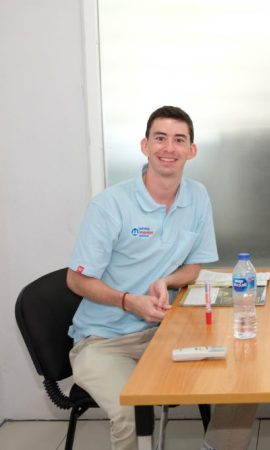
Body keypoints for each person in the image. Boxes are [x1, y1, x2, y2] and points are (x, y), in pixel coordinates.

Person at [66, 106, 256, 450]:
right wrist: (129, 301)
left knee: (243, 376)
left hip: (164, 332)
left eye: (179, 140)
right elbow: (76, 281)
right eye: (160, 138)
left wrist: (166, 281)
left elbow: (194, 267)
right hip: (103, 341)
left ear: (191, 150)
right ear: (145, 146)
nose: (169, 147)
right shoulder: (109, 205)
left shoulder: (197, 196)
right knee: (132, 412)